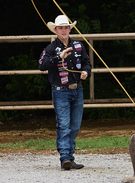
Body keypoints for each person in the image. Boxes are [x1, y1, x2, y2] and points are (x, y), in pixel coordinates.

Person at [38, 15, 92, 170]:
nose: (64, 30)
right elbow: (41, 65)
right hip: (60, 90)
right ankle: (65, 158)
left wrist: (86, 73)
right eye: (61, 28)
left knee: (74, 125)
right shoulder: (51, 49)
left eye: (66, 27)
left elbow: (87, 63)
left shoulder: (78, 46)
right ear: (56, 30)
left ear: (69, 29)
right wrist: (58, 57)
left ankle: (69, 156)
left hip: (77, 89)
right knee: (64, 125)